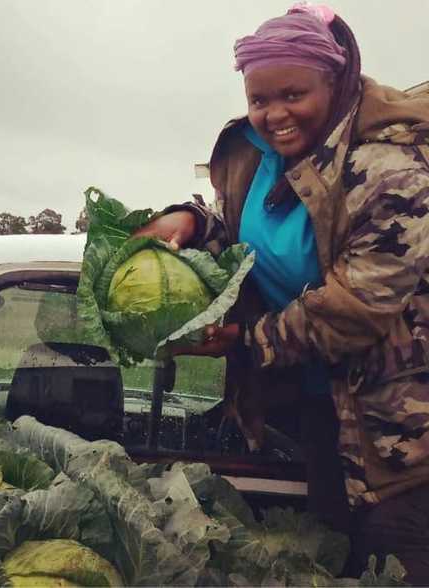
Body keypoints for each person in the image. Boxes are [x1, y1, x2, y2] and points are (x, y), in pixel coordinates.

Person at [135, 3, 429, 582]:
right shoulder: (259, 156)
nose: (275, 115)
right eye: (259, 100)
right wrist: (192, 219)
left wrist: (242, 341)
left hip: (401, 443)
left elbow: (356, 308)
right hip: (319, 418)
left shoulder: (392, 170)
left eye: (293, 94)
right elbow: (250, 232)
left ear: (337, 82)